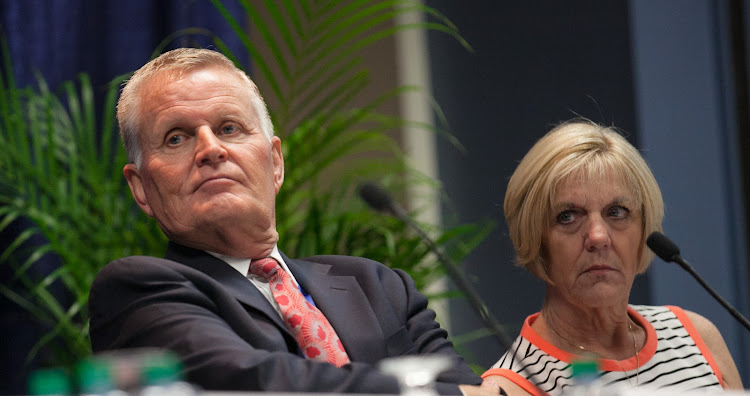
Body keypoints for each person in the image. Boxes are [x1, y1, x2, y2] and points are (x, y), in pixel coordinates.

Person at [88, 47, 499, 395]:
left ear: (276, 163)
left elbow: (463, 385)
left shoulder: (379, 286)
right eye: (177, 137)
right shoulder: (136, 291)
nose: (210, 149)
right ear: (141, 187)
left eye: (229, 128)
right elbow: (257, 381)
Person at [482, 120, 743, 395]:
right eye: (568, 216)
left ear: (644, 229)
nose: (598, 237)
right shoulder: (509, 387)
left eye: (616, 212)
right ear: (536, 238)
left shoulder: (696, 336)